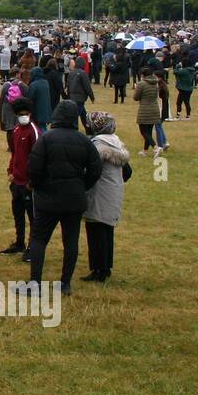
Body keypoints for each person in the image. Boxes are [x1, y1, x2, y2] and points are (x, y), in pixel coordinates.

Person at [15, 100, 103, 297]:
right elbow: (96, 169)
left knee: (39, 239)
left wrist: (37, 185)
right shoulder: (84, 141)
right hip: (74, 198)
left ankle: (35, 283)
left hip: (48, 198)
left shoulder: (46, 139)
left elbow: (34, 167)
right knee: (70, 241)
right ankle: (65, 283)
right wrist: (82, 185)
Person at [82, 111, 131, 282]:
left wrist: (84, 185)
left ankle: (99, 270)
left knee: (96, 230)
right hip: (113, 190)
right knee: (106, 230)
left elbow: (91, 171)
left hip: (99, 192)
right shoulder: (116, 142)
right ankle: (105, 267)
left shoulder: (97, 145)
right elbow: (127, 171)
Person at [1, 98, 39, 258]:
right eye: (19, 114)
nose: (22, 116)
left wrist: (32, 181)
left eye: (25, 114)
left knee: (32, 216)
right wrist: (10, 170)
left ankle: (32, 247)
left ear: (30, 114)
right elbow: (15, 153)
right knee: (17, 214)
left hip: (28, 184)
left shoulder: (34, 132)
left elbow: (38, 159)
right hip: (16, 181)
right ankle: (19, 242)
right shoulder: (16, 130)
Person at [133, 69, 161, 155]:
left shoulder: (141, 84)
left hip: (144, 110)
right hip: (155, 109)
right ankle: (145, 151)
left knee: (143, 131)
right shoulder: (156, 83)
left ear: (143, 75)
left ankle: (155, 147)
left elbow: (136, 97)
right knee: (148, 132)